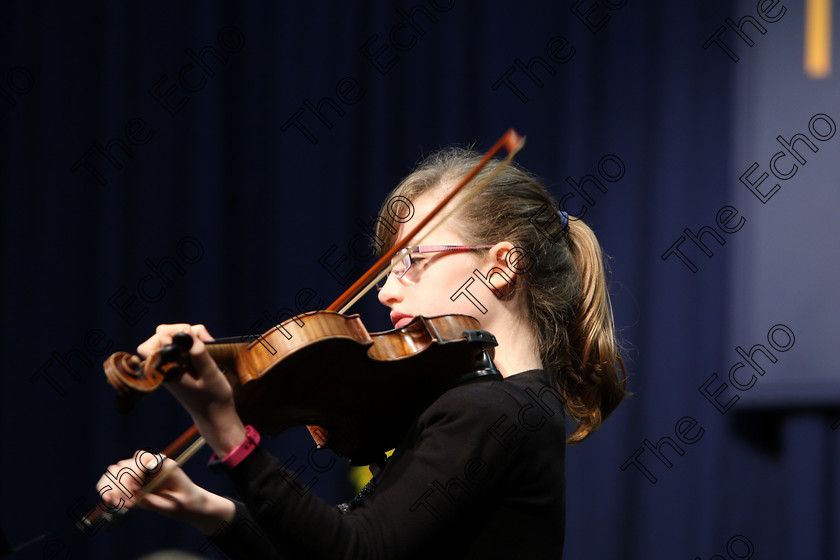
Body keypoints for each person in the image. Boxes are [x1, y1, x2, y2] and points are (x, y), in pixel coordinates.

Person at [97, 147, 627, 559]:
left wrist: (227, 430)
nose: (386, 290)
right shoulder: (510, 407)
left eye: (413, 259)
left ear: (501, 264)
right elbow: (334, 547)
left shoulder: (495, 411)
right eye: (389, 268)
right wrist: (203, 507)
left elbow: (356, 553)